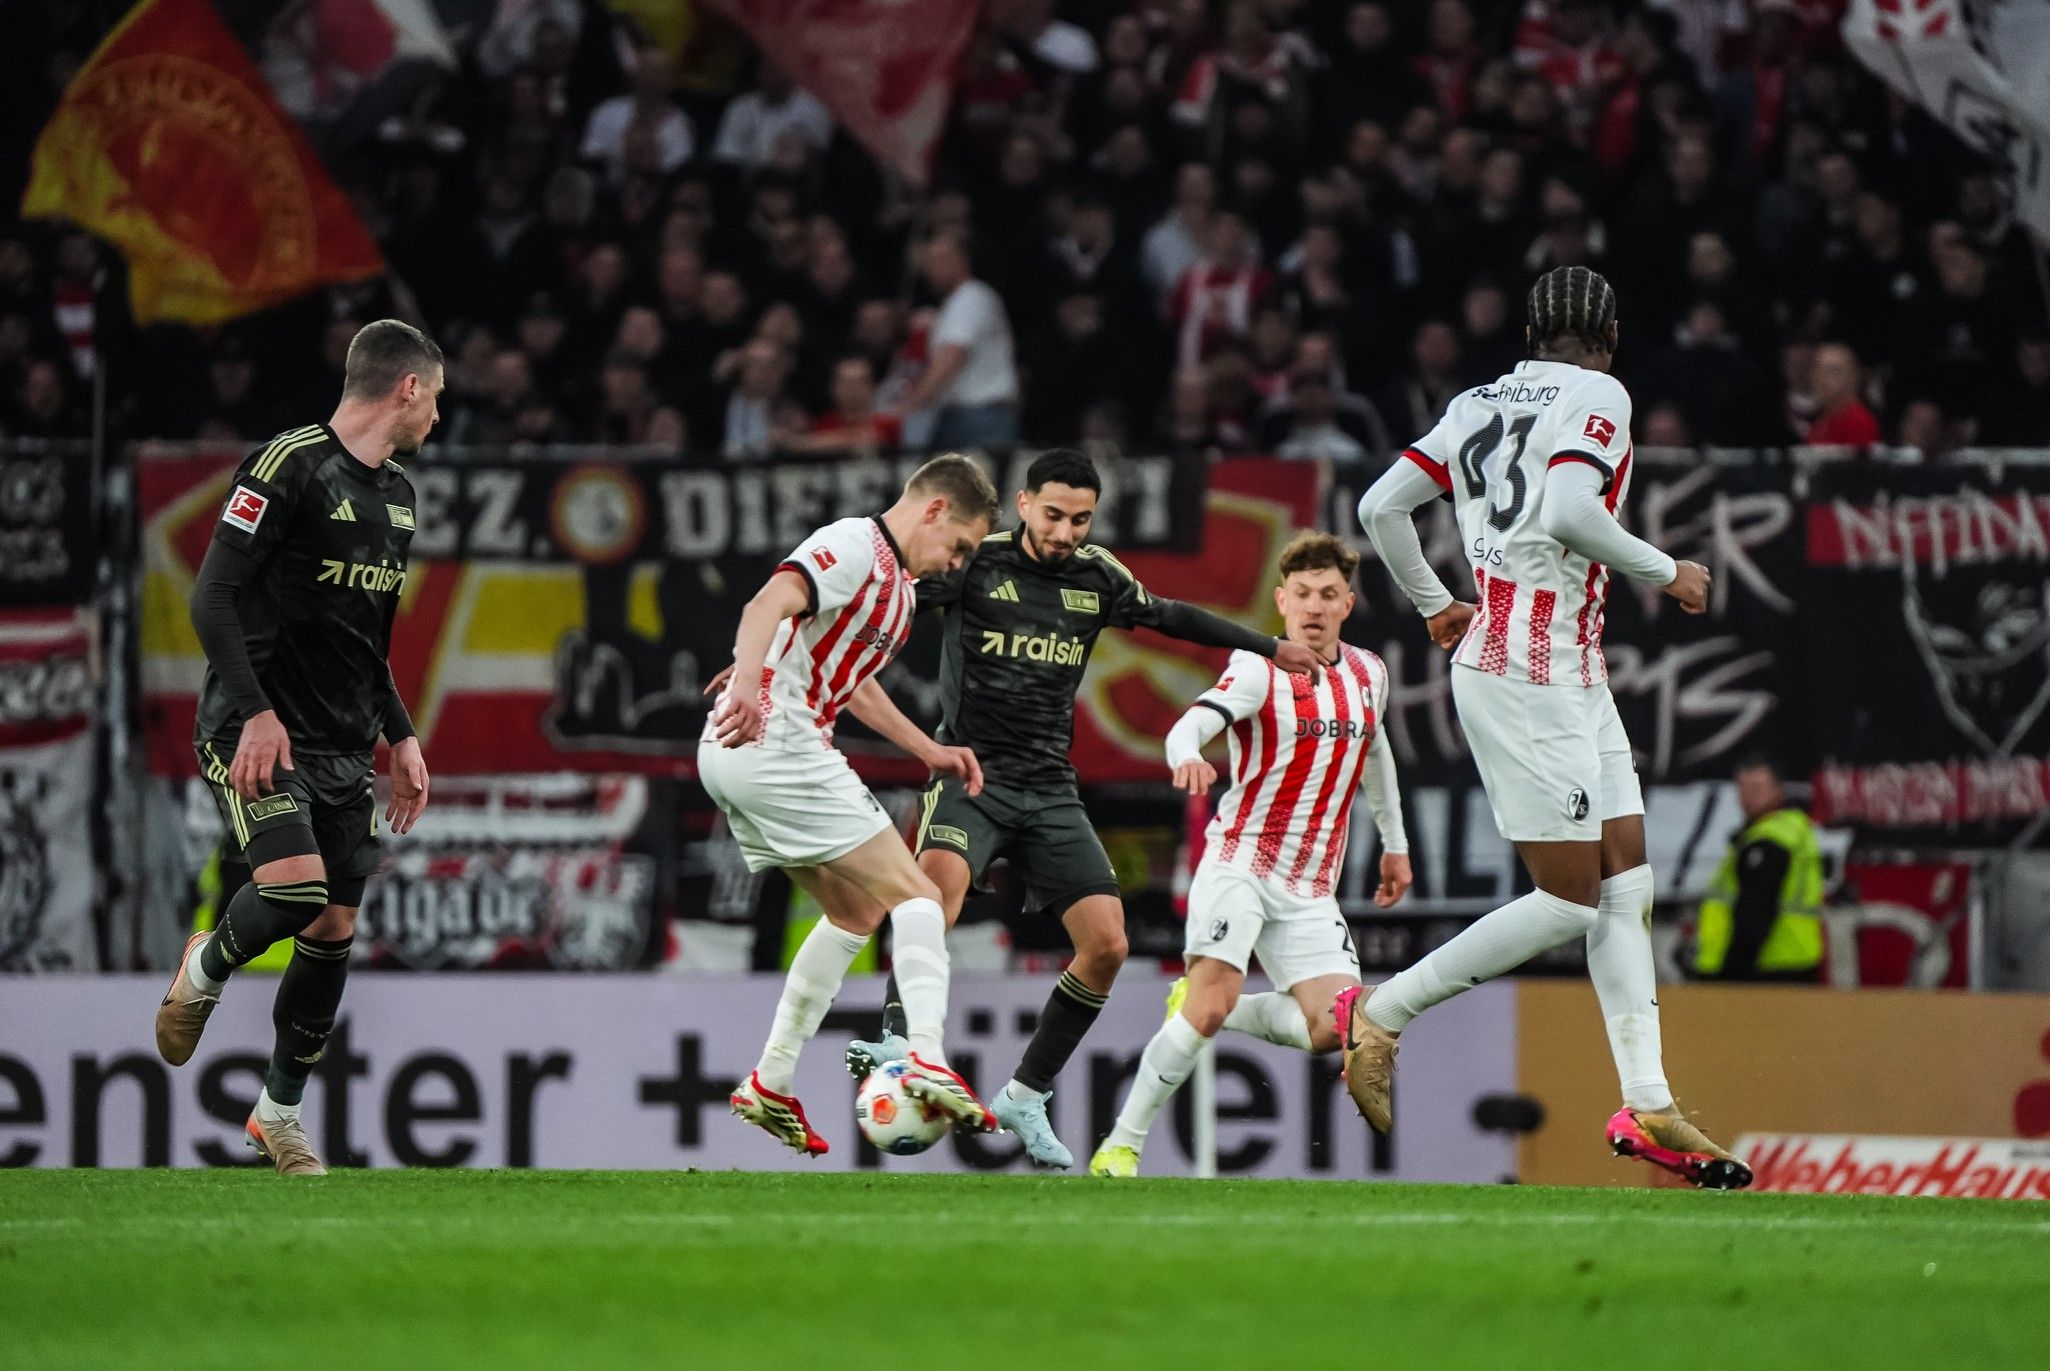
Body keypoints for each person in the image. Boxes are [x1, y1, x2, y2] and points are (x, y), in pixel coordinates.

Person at [1356, 265, 1752, 1190]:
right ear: (1609, 337)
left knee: (1629, 881)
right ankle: (1383, 1010)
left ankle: (1648, 1101)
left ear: (1531, 332)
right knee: (1572, 896)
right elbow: (1573, 510)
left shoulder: (1473, 400)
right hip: (1526, 675)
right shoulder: (1600, 394)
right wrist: (1670, 572)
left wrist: (1432, 604)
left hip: (1564, 668)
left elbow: (1382, 507)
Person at [845, 450, 1324, 1169]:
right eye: (1054, 515)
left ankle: (1026, 1093)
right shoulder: (976, 562)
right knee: (929, 900)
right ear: (1024, 502)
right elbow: (885, 605)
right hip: (971, 772)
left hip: (1048, 787)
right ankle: (897, 1038)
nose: (1067, 531)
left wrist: (1268, 645)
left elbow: (1170, 616)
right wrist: (790, 651)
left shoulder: (1097, 576)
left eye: (1080, 519)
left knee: (1108, 945)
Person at [154, 320, 441, 1177]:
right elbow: (212, 598)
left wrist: (402, 732)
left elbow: (364, 641)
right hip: (253, 733)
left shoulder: (399, 497)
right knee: (295, 887)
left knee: (334, 922)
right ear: (408, 389)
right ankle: (202, 965)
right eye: (437, 399)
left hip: (342, 747)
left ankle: (278, 1114)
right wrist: (255, 712)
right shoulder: (288, 465)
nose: (437, 419)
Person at [1089, 532, 1413, 1177]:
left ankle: (1215, 1006)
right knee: (1207, 1006)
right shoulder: (1257, 666)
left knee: (1334, 1029)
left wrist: (1395, 845)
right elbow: (1193, 723)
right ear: (1281, 600)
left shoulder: (1369, 673)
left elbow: (1375, 754)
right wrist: (1184, 754)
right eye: (1301, 595)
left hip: (1312, 886)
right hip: (1240, 862)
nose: (1314, 607)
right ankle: (1121, 1145)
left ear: (1348, 603)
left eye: (1327, 594)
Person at [707, 455, 1001, 1155]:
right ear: (933, 510)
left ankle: (770, 1080)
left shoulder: (897, 586)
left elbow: (852, 679)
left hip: (748, 750)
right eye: (959, 544)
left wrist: (926, 750)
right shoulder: (852, 545)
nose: (956, 562)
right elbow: (766, 603)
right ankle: (926, 1055)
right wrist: (751, 679)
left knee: (856, 910)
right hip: (775, 740)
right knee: (919, 897)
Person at [1692, 757, 1824, 982]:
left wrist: (1732, 972)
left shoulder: (1769, 840)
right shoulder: (1790, 830)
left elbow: (1755, 913)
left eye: (1757, 788)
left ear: (1778, 791)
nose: (1748, 796)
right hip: (1792, 961)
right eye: (1743, 788)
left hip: (1767, 969)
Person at [891, 230, 1019, 450]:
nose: (931, 269)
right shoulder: (957, 303)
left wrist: (911, 405)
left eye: (939, 260)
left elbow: (951, 357)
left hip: (978, 419)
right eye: (929, 262)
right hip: (967, 417)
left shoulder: (970, 297)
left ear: (960, 261)